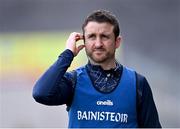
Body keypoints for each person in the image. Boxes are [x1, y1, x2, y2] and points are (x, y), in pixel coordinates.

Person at [32, 10, 161, 128]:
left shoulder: (137, 83)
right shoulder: (74, 81)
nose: (98, 44)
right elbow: (41, 93)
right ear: (84, 40)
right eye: (92, 36)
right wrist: (67, 54)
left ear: (117, 42)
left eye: (104, 36)